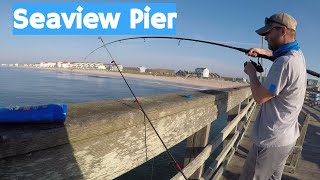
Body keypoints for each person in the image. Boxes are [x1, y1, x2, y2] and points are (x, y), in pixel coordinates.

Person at [241, 13, 307, 180]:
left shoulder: (285, 63)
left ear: (283, 31)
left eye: (269, 33)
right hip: (286, 137)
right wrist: (263, 52)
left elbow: (260, 97)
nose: (266, 37)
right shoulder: (297, 55)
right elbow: (280, 56)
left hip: (271, 140)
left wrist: (252, 74)